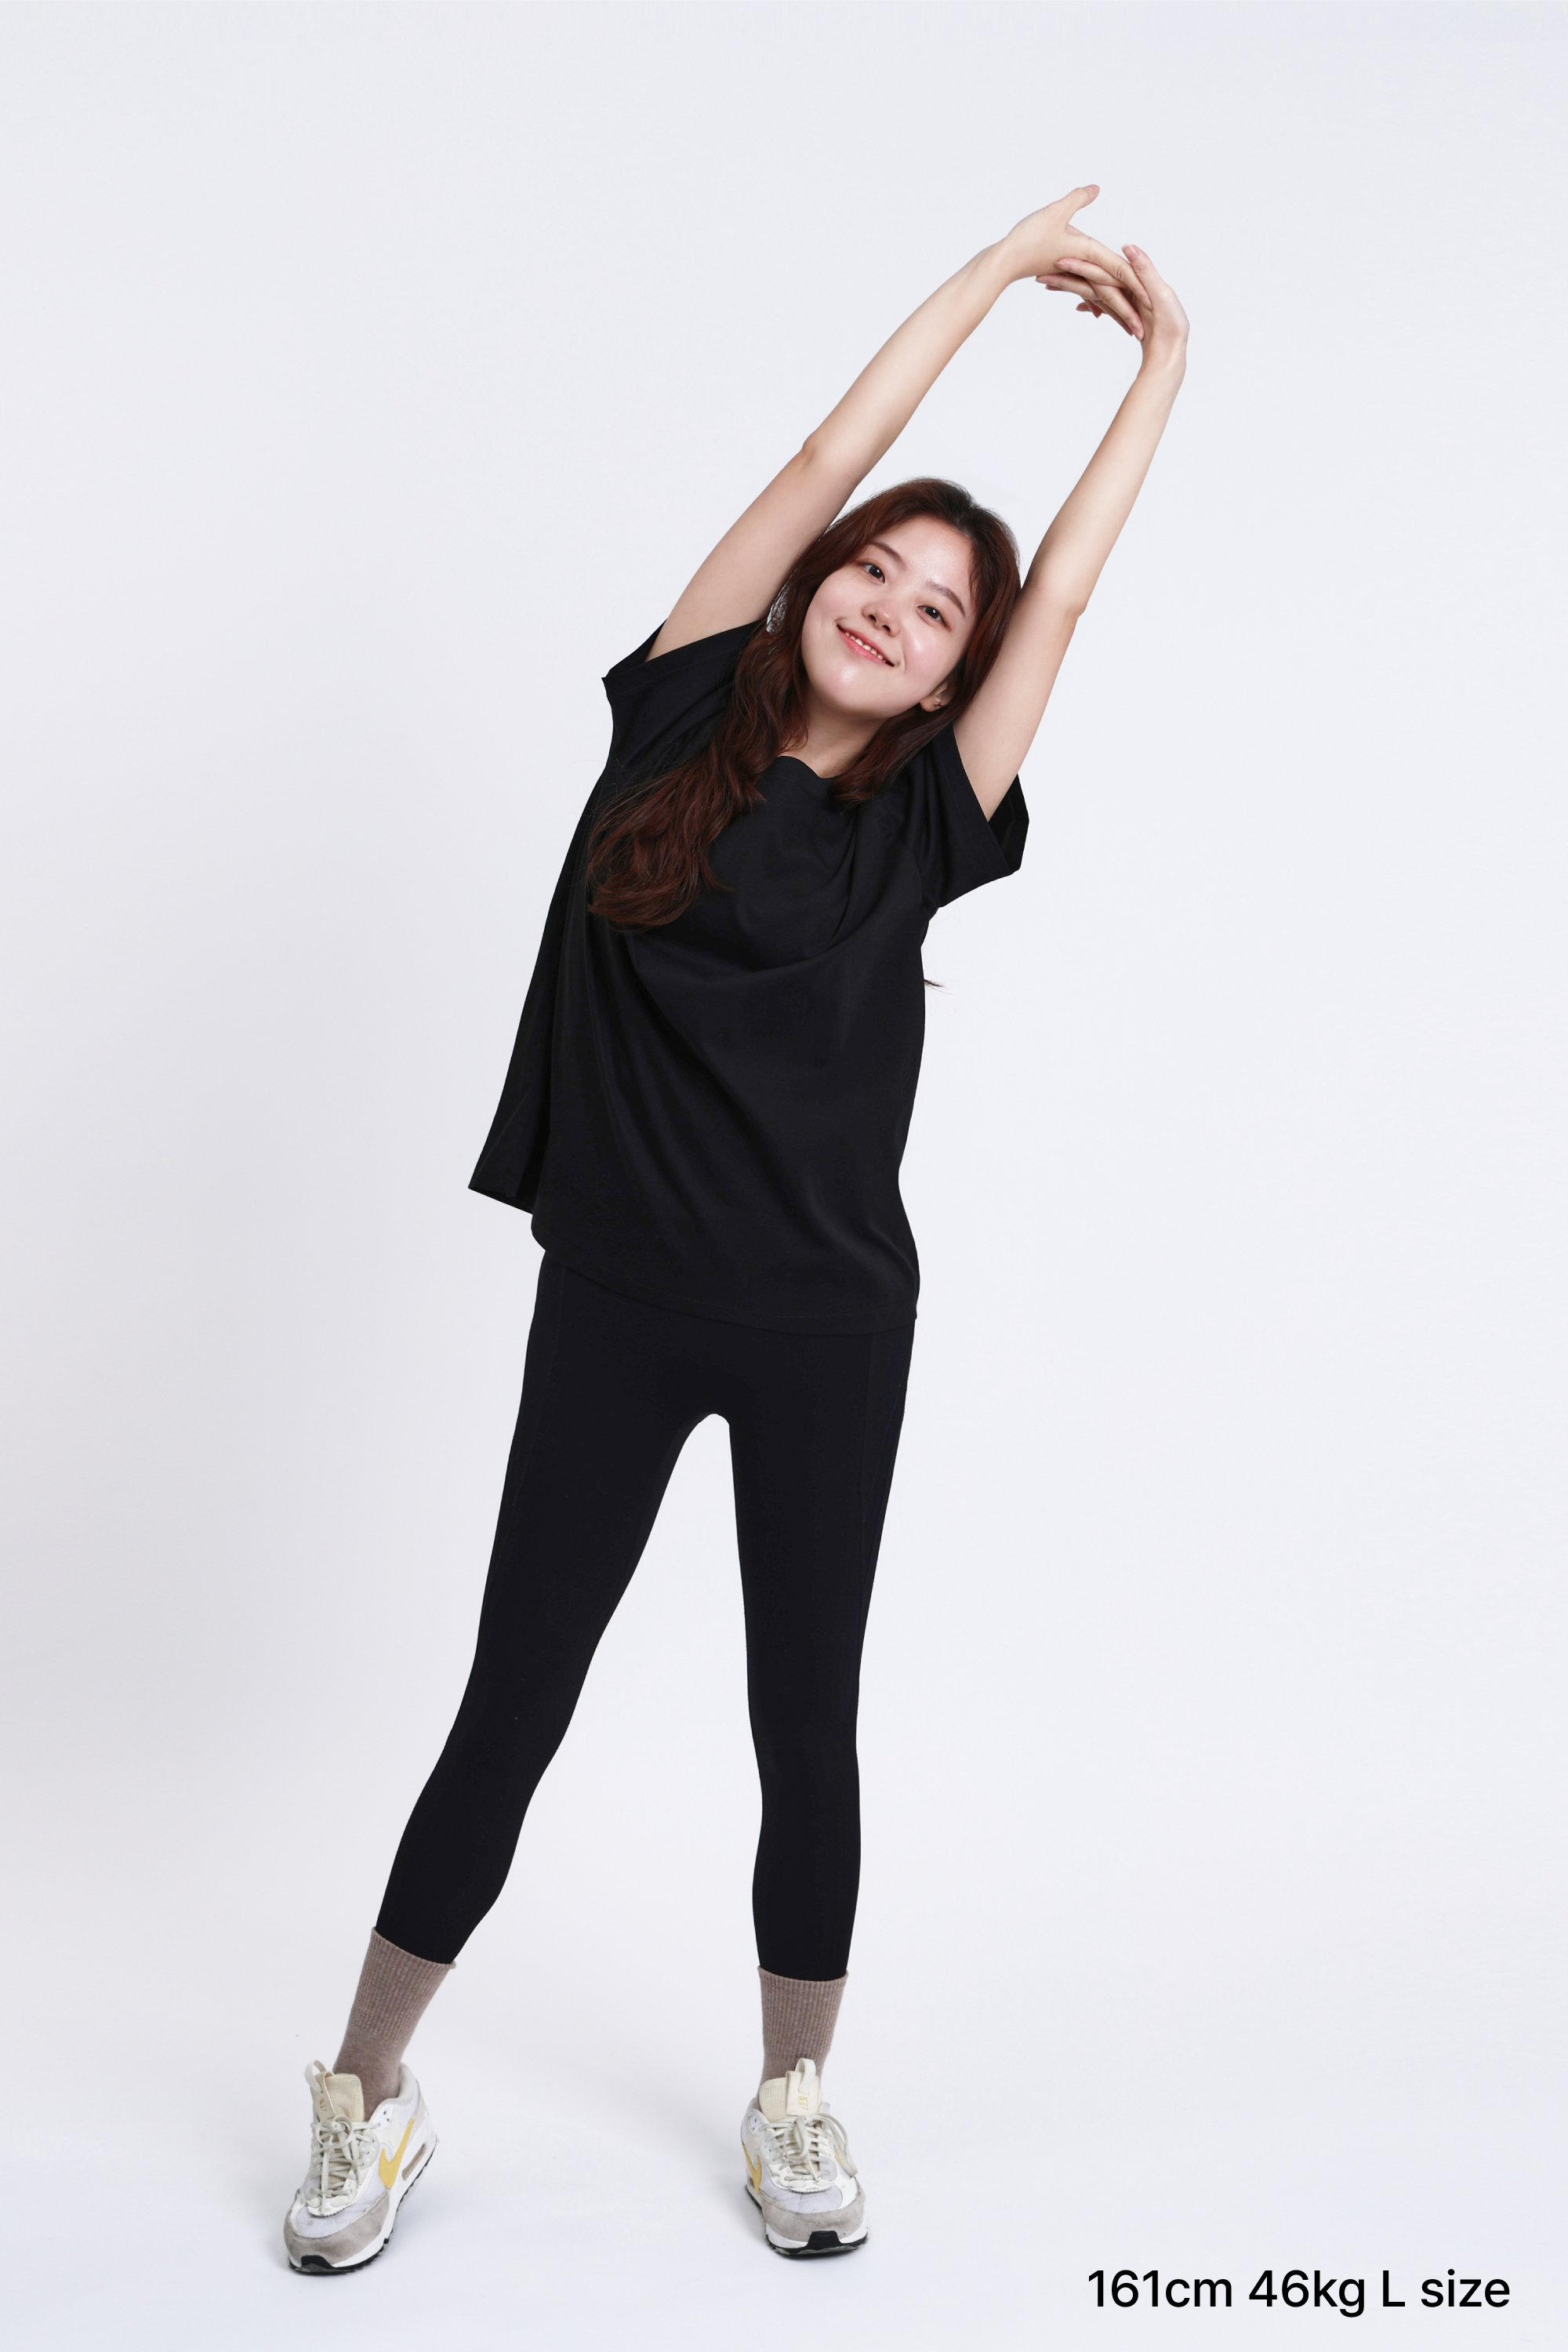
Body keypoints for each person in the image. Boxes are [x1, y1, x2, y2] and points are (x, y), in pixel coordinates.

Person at [284, 184, 1189, 2274]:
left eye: (939, 610)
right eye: (875, 568)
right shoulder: (679, 708)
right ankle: (365, 2090)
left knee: (807, 1720)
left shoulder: (930, 823)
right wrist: (994, 270)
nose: (891, 605)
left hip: (823, 1329)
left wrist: (1162, 363)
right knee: (513, 1699)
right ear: (819, 582)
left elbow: (1067, 593)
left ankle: (796, 2095)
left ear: (959, 672)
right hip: (613, 1302)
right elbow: (816, 454)